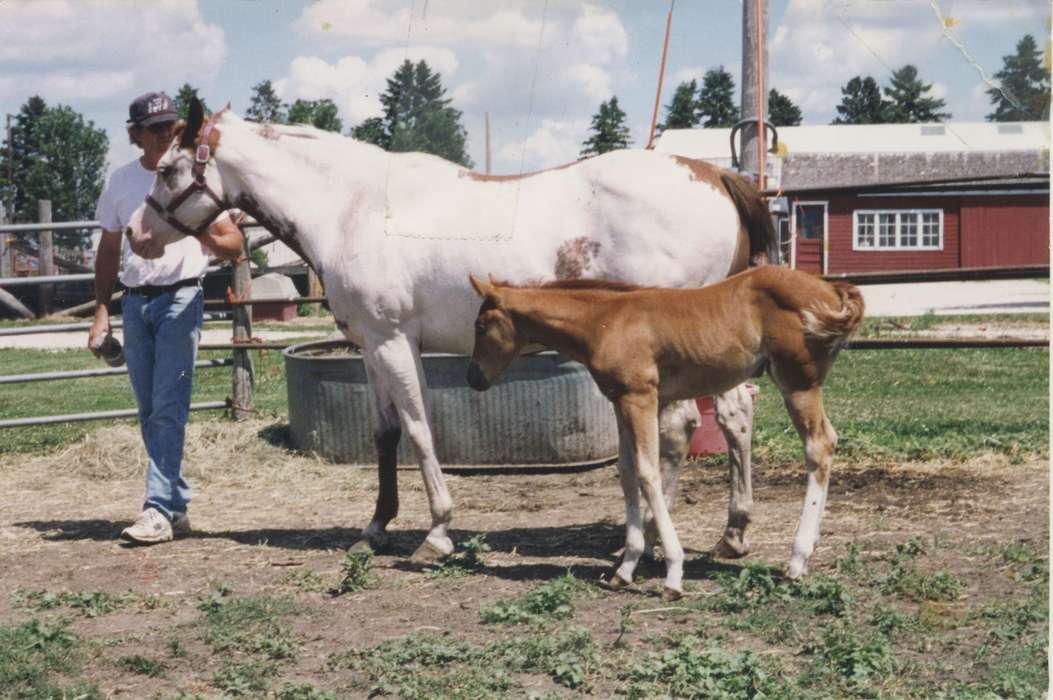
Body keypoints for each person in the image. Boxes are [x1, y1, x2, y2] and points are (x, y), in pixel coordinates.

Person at [89, 91, 244, 544]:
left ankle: (156, 509)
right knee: (150, 409)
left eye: (172, 127)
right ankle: (175, 504)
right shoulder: (120, 182)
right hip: (135, 302)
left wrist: (200, 232)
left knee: (168, 409)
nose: (166, 135)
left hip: (180, 298)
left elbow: (233, 245)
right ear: (135, 135)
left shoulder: (190, 177)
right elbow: (108, 251)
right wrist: (102, 310)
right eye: (156, 128)